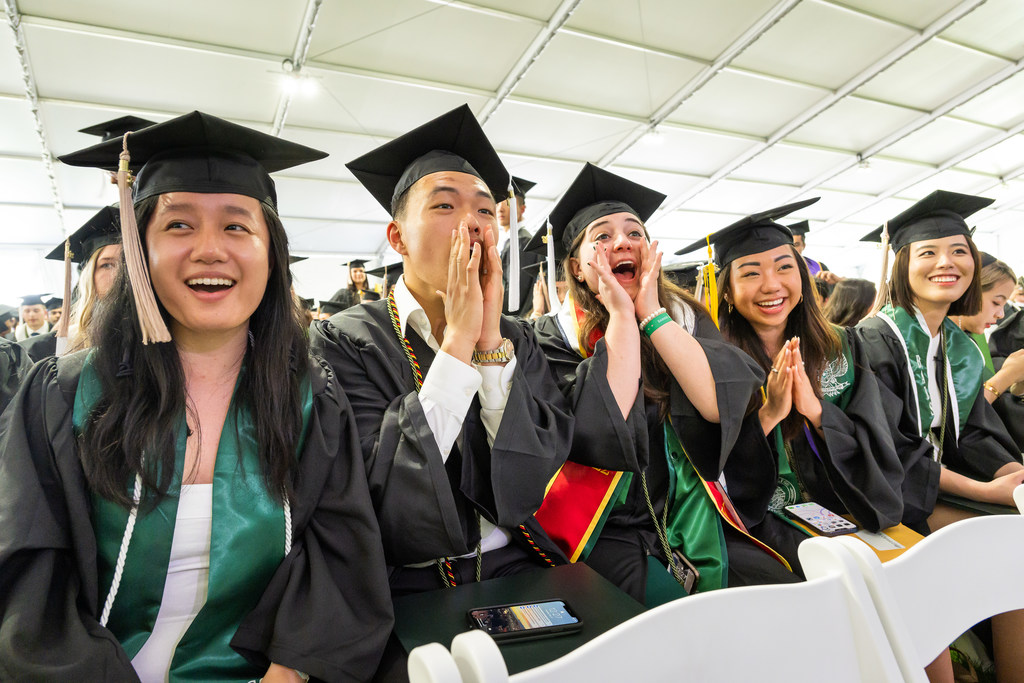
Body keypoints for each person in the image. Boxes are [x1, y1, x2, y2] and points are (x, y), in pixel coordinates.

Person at [0, 111, 393, 682]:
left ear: (271, 254)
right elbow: (28, 580)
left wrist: (289, 672)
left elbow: (339, 557)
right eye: (178, 226)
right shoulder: (62, 396)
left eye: (237, 227)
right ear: (140, 252)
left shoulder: (311, 400)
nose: (210, 250)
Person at [311, 104, 574, 595]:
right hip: (403, 585)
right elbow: (377, 493)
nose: (472, 223)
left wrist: (490, 341)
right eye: (444, 206)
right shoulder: (344, 341)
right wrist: (457, 344)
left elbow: (532, 478)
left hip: (518, 564)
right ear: (398, 239)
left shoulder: (517, 339)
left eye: (483, 209)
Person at [529, 164, 795, 605]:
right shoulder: (549, 338)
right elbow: (598, 429)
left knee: (776, 593)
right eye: (603, 236)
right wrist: (619, 316)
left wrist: (651, 314)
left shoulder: (684, 318)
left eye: (635, 232)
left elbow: (716, 405)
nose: (622, 241)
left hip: (686, 511)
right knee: (661, 624)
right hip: (601, 530)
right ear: (577, 267)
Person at [677, 203, 903, 546]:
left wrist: (815, 410)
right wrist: (769, 414)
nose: (771, 285)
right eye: (751, 273)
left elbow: (876, 442)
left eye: (784, 268)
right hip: (750, 526)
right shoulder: (705, 360)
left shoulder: (841, 346)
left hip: (844, 509)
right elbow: (698, 470)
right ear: (726, 290)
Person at [854, 190, 1024, 536]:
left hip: (939, 482)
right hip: (893, 497)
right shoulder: (876, 339)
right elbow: (886, 450)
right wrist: (986, 491)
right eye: (928, 252)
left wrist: (1012, 474)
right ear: (903, 265)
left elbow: (974, 429)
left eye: (959, 251)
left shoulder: (957, 345)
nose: (946, 262)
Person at [19, 205, 123, 363]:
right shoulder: (70, 340)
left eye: (128, 264)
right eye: (107, 265)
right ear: (89, 277)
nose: (120, 274)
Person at [955, 253, 1024, 452]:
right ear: (969, 293)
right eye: (996, 302)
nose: (1001, 314)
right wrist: (1006, 377)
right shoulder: (938, 342)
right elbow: (954, 424)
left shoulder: (970, 338)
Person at [499, 176, 544, 317]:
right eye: (497, 202)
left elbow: (518, 291)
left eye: (507, 202)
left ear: (522, 209)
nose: (500, 208)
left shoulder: (523, 242)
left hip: (515, 320)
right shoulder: (510, 241)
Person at [788, 220, 839, 284]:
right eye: (790, 245)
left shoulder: (820, 267)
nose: (794, 249)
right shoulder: (781, 268)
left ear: (803, 245)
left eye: (796, 245)